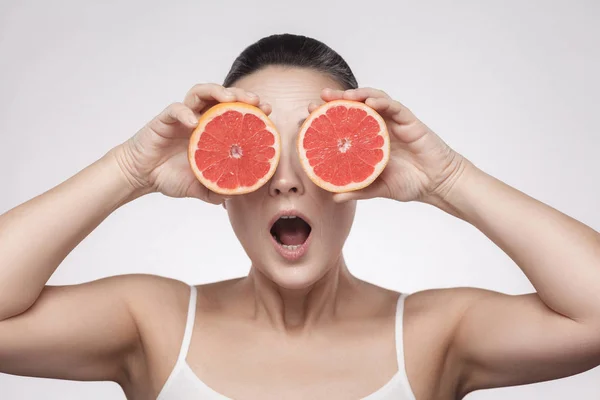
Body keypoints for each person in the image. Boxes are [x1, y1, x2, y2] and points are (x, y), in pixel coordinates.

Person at [1, 33, 599, 400]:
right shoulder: (150, 323)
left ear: (360, 169)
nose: (286, 178)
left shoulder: (435, 333)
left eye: (312, 147)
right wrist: (129, 168)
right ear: (221, 179)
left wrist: (449, 180)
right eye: (260, 152)